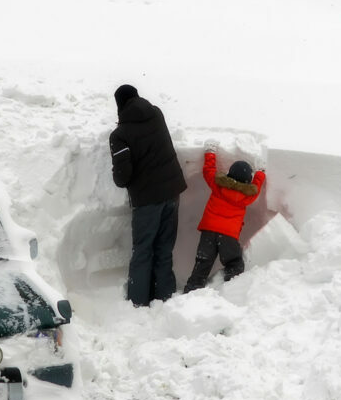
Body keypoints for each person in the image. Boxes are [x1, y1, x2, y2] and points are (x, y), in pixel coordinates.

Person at [110, 84, 188, 307]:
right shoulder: (157, 114)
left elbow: (122, 177)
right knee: (164, 249)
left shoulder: (120, 135)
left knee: (143, 251)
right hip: (173, 193)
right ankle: (164, 298)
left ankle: (137, 303)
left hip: (147, 201)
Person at [183, 140, 266, 292]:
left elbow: (208, 171)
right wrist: (260, 172)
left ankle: (191, 291)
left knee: (202, 264)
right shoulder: (247, 196)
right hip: (228, 237)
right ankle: (221, 286)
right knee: (235, 264)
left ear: (229, 173)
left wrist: (210, 152)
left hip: (208, 233)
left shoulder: (218, 185)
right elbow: (256, 188)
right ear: (247, 182)